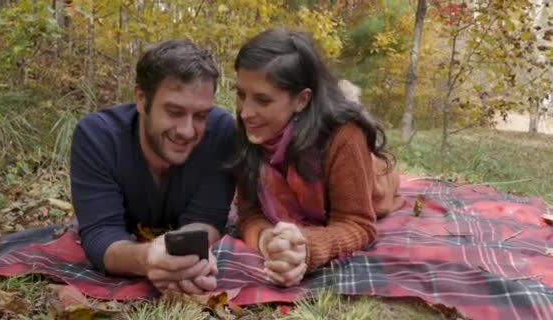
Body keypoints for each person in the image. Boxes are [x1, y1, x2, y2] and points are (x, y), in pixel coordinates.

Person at [230, 29, 404, 287]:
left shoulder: (345, 137)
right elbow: (248, 213)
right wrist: (267, 240)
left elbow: (358, 224)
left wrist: (306, 247)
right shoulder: (252, 130)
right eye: (241, 94)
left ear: (301, 100)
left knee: (379, 176)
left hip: (373, 183)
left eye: (263, 100)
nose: (245, 112)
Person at [70, 39, 235, 295]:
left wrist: (185, 260)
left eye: (201, 115)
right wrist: (147, 259)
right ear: (141, 98)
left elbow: (206, 219)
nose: (187, 131)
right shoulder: (97, 137)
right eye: (174, 111)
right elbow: (100, 234)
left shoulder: (222, 132)